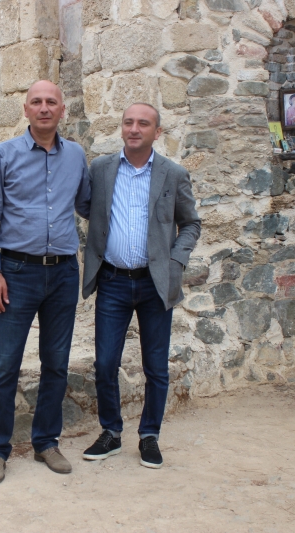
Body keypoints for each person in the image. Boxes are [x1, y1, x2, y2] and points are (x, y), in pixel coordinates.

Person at [0, 80, 90, 485]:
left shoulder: (76, 155)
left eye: (51, 102)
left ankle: (46, 443)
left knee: (56, 362)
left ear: (62, 110)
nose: (44, 108)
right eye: (36, 102)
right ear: (25, 110)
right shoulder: (3, 155)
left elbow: (87, 204)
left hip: (62, 274)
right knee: (6, 363)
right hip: (16, 274)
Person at [80, 103, 201, 468]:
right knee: (105, 363)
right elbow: (88, 208)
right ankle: (111, 432)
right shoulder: (101, 169)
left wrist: (176, 261)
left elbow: (190, 224)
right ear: (121, 128)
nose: (134, 129)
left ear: (156, 132)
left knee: (156, 367)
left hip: (155, 284)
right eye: (128, 122)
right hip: (113, 281)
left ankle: (149, 435)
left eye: (143, 124)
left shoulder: (173, 174)